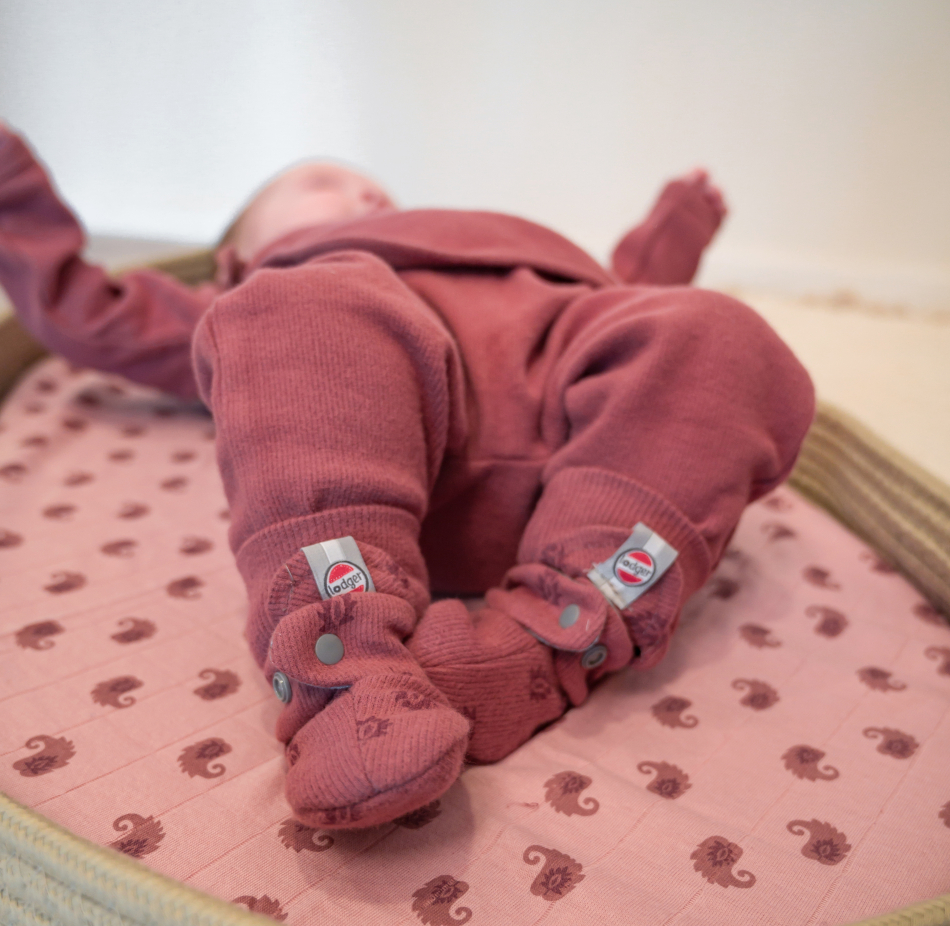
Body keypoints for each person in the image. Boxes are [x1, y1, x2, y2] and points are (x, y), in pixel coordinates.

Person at [0, 124, 815, 829]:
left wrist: (676, 227)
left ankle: (540, 646)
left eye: (376, 189)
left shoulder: (520, 264)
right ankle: (347, 664)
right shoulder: (272, 281)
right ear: (233, 255)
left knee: (717, 334)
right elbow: (89, 309)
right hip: (384, 482)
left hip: (582, 444)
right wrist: (12, 188)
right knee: (298, 306)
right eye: (322, 184)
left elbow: (637, 294)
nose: (365, 193)